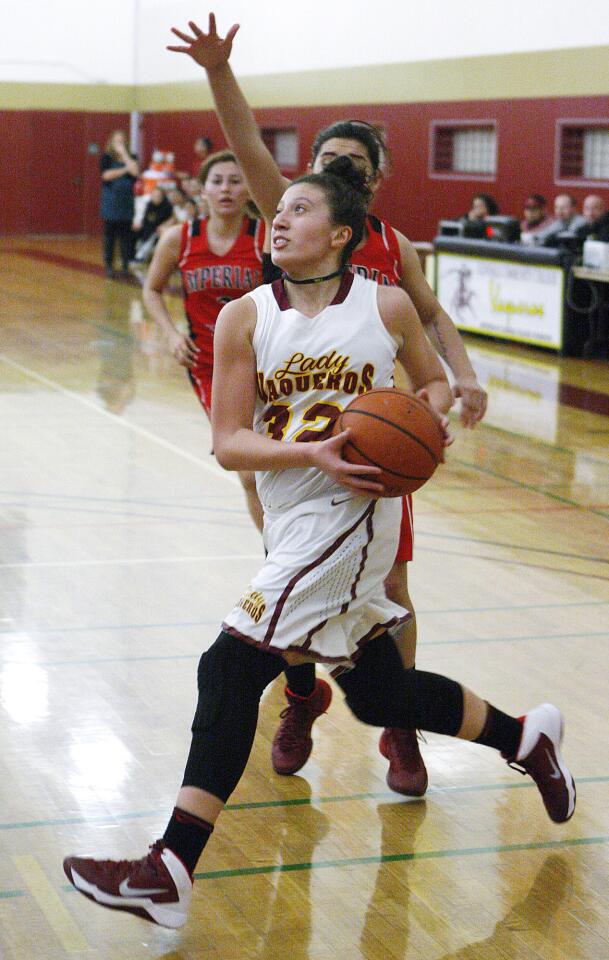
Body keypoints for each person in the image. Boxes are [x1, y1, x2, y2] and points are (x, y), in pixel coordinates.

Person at [63, 160, 576, 931]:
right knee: (378, 694)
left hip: (355, 512)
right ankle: (525, 737)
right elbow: (230, 442)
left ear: (340, 234)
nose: (279, 220)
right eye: (281, 210)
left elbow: (431, 387)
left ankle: (170, 865)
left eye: (299, 210)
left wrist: (425, 422)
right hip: (294, 513)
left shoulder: (386, 304)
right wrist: (311, 453)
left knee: (228, 662)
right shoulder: (243, 316)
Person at [165, 13, 489, 797]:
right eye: (323, 162)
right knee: (297, 588)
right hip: (291, 449)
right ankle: (305, 697)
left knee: (392, 597)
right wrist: (219, 73)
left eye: (349, 164)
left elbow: (431, 314)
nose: (332, 172)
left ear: (371, 181)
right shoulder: (298, 218)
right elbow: (245, 145)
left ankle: (400, 728)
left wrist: (458, 378)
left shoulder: (391, 246)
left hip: (370, 453)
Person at [142, 149, 265, 527]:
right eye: (217, 181)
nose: (226, 189)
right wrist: (171, 334)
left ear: (249, 189)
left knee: (275, 464)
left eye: (235, 180)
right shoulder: (179, 239)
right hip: (209, 365)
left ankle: (291, 552)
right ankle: (274, 555)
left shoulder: (266, 237)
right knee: (248, 468)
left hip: (265, 361)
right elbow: (152, 290)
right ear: (201, 189)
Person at [100, 130, 139, 278]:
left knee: (126, 236)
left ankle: (125, 264)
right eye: (117, 141)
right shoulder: (106, 158)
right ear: (111, 142)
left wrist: (125, 156)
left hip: (126, 201)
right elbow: (106, 175)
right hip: (111, 201)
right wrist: (124, 169)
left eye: (122, 141)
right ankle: (109, 264)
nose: (120, 144)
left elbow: (135, 172)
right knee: (109, 236)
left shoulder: (132, 157)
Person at [132, 186, 175, 264]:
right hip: (148, 227)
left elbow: (171, 219)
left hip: (160, 230)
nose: (156, 198)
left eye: (158, 196)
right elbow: (146, 218)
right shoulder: (149, 204)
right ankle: (133, 255)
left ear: (162, 197)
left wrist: (163, 226)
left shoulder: (167, 206)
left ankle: (140, 257)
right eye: (154, 196)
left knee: (153, 236)